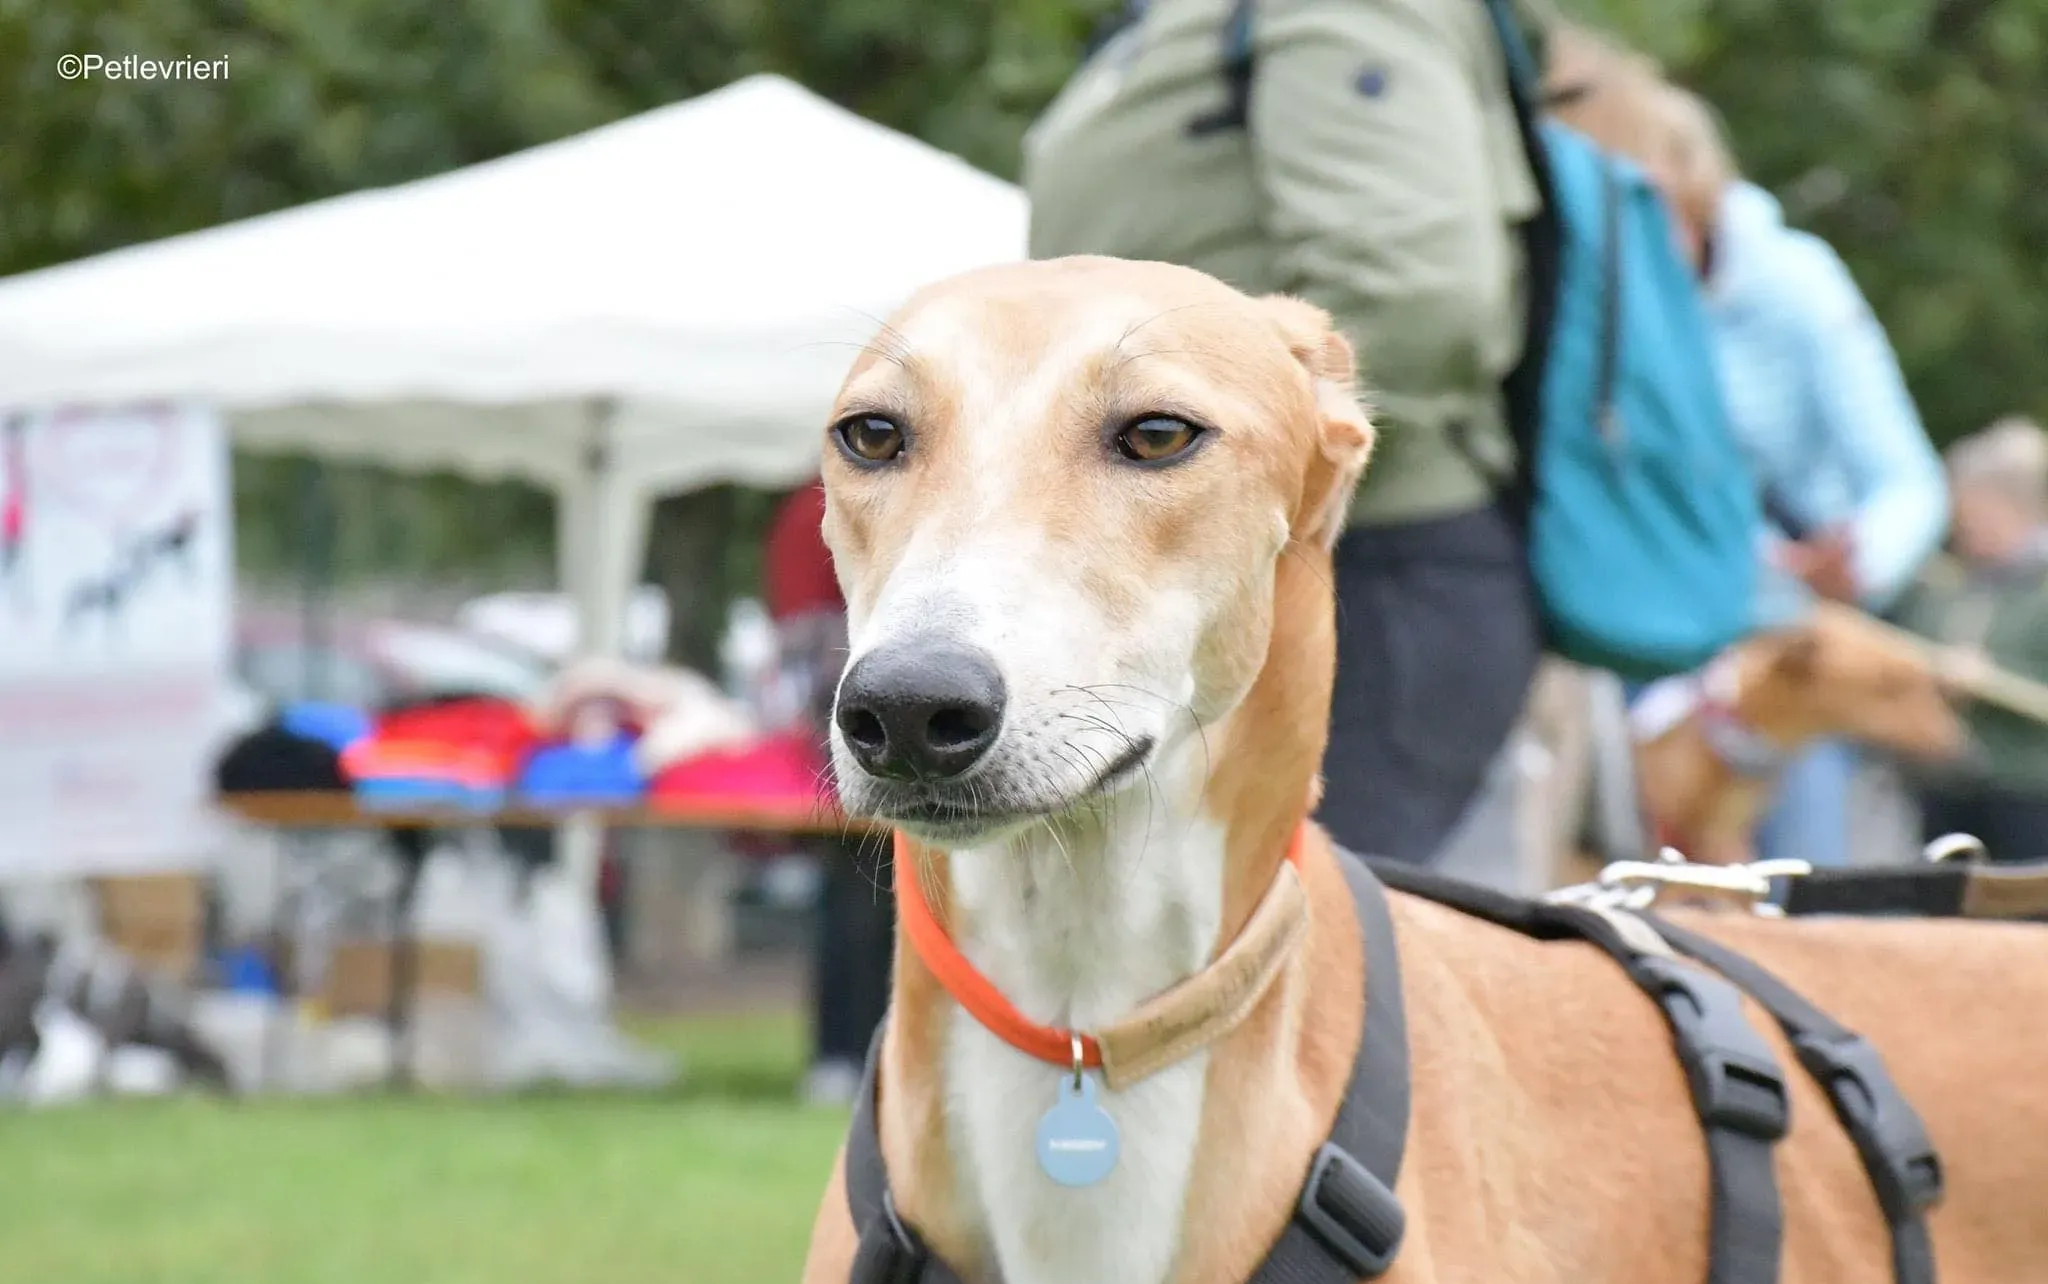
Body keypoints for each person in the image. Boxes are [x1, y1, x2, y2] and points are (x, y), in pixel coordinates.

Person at [1023, 0, 1553, 863]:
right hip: (1236, 562)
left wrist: (1203, 459)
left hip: (1361, 572)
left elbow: (1418, 302)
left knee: (1360, 981)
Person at [1552, 54, 1949, 865]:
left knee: (1795, 876)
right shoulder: (1584, 296)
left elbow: (1907, 481)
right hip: (1627, 629)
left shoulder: (1795, 283)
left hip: (1778, 645)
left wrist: (1860, 557)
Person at [763, 479, 893, 1105]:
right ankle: (845, 1054)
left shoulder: (810, 499)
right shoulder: (816, 503)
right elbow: (806, 632)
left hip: (855, 716)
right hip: (853, 724)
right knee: (857, 904)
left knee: (863, 904)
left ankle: (854, 1054)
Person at [1894, 419, 2048, 860]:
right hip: (1947, 787)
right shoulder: (1947, 585)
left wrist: (1991, 677)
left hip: (2028, 792)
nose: (1961, 524)